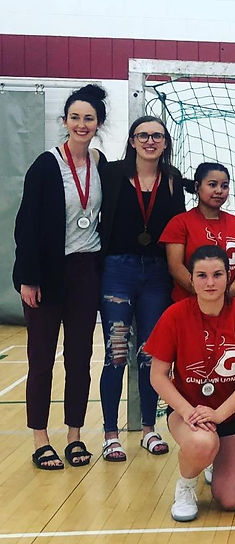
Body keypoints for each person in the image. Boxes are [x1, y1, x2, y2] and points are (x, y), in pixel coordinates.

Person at [13, 84, 108, 470]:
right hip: (48, 273)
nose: (81, 124)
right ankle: (40, 438)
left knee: (80, 358)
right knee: (40, 359)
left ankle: (74, 434)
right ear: (64, 120)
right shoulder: (45, 164)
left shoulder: (101, 163)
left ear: (98, 123)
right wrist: (28, 278)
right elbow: (26, 226)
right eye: (75, 117)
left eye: (89, 118)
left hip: (87, 271)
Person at [146, 246, 235, 521]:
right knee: (203, 442)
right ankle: (187, 485)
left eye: (217, 274)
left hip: (233, 414)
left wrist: (218, 414)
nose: (210, 282)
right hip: (188, 413)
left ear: (229, 277)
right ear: (190, 279)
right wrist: (189, 412)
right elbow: (158, 375)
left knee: (231, 500)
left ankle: (214, 457)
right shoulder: (175, 315)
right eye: (201, 275)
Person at [96, 115, 186, 462]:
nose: (150, 141)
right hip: (118, 270)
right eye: (143, 135)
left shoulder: (174, 180)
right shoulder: (113, 172)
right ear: (133, 140)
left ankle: (149, 429)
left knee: (152, 355)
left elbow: (180, 225)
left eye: (157, 136)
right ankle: (110, 434)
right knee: (116, 353)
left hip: (157, 274)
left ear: (165, 143)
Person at [161, 162, 235, 302]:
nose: (219, 191)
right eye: (212, 185)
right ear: (197, 187)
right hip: (188, 304)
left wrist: (227, 294)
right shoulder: (180, 223)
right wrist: (204, 292)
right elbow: (175, 266)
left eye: (224, 186)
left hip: (227, 305)